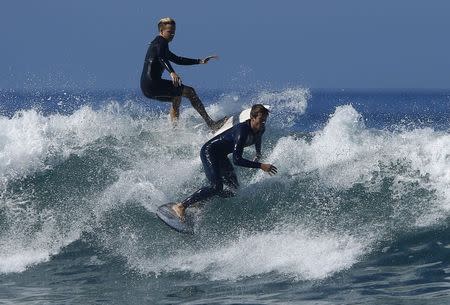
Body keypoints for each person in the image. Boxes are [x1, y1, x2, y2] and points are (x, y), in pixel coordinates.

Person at [172, 104, 278, 220]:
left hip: (221, 156)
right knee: (217, 186)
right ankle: (181, 206)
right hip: (209, 151)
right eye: (260, 120)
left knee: (234, 189)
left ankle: (200, 200)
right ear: (252, 118)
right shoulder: (241, 131)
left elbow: (258, 138)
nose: (263, 123)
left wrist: (258, 153)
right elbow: (237, 160)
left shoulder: (260, 129)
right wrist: (261, 166)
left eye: (264, 120)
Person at [140, 17, 226, 130]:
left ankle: (174, 130)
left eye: (174, 32)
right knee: (190, 92)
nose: (172, 35)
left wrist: (199, 61)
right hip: (153, 84)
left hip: (146, 88)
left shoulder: (158, 44)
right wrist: (172, 72)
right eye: (169, 32)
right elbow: (161, 58)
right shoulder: (161, 42)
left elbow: (177, 59)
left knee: (176, 97)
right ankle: (211, 124)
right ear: (161, 31)